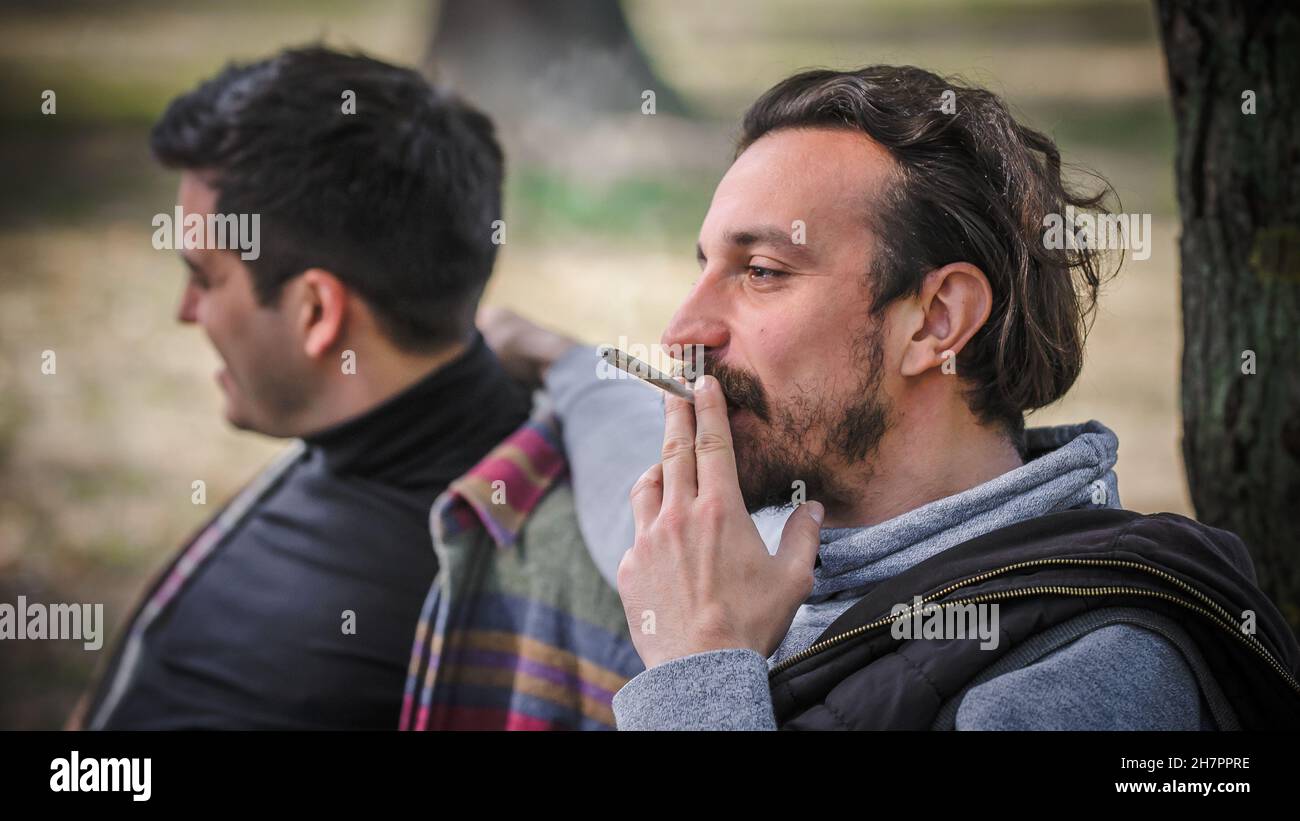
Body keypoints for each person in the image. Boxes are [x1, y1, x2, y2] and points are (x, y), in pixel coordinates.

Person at [488, 65, 1300, 730]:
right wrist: (568, 363)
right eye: (702, 266)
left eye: (762, 271)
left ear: (935, 321)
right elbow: (621, 467)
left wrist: (698, 671)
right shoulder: (754, 536)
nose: (682, 329)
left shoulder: (1079, 682)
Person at [72, 46, 532, 729]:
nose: (185, 311)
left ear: (317, 311)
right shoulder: (478, 419)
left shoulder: (289, 671)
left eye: (205, 277)